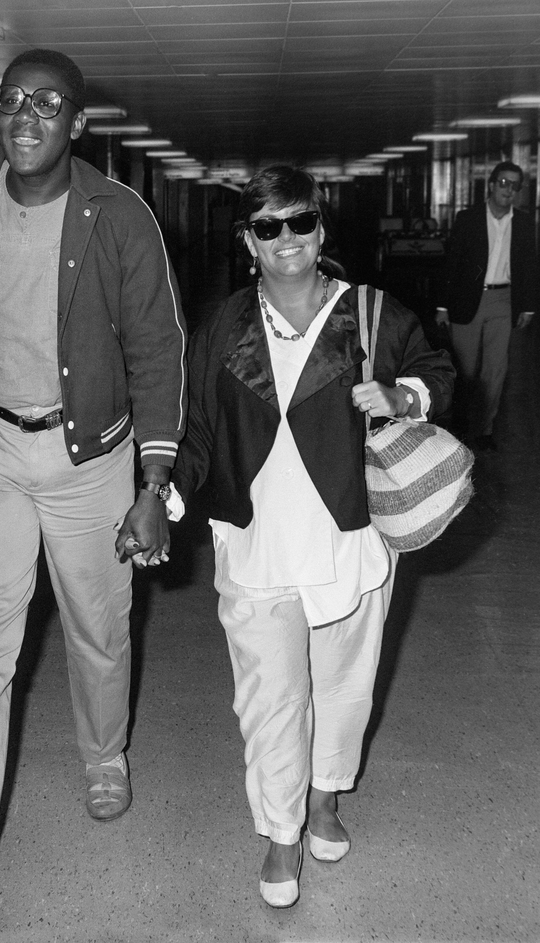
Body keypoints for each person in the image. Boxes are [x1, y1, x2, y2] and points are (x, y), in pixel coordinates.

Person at [0, 48, 187, 938]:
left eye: (46, 104)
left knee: (99, 624)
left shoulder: (120, 216)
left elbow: (158, 346)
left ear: (77, 123)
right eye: (11, 101)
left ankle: (104, 753)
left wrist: (153, 480)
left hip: (89, 454)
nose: (24, 117)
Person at [170, 166, 454, 909]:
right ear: (249, 241)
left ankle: (326, 796)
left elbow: (438, 370)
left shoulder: (370, 313)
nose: (286, 239)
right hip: (256, 542)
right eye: (268, 227)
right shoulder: (223, 327)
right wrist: (161, 497)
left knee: (344, 688)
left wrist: (402, 395)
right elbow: (196, 429)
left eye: (300, 223)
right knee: (268, 699)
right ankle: (281, 830)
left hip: (349, 540)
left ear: (321, 231)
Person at [435, 160, 538, 452]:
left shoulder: (524, 221)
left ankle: (483, 430)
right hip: (467, 300)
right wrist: (442, 306)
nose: (509, 190)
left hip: (503, 300)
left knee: (495, 369)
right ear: (491, 185)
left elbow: (529, 265)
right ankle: (461, 425)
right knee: (466, 371)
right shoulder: (467, 219)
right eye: (503, 183)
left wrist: (527, 307)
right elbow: (451, 263)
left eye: (515, 185)